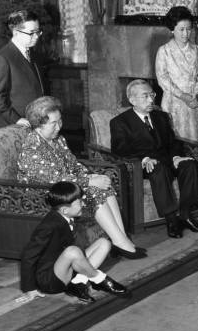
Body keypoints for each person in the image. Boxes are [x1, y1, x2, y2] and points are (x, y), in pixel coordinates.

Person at [17, 96, 146, 260]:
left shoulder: (58, 140)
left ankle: (121, 239)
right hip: (43, 195)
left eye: (60, 121)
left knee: (103, 186)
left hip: (64, 187)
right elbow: (53, 179)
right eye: (53, 123)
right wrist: (89, 181)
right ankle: (119, 241)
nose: (59, 127)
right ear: (38, 125)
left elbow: (73, 165)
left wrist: (91, 176)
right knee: (93, 190)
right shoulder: (31, 148)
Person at [110, 79, 198, 239]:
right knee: (158, 169)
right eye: (145, 96)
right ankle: (171, 220)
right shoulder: (120, 122)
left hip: (168, 160)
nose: (151, 100)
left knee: (190, 164)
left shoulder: (161, 116)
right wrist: (144, 159)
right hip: (142, 165)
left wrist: (176, 157)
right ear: (132, 99)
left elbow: (173, 142)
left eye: (152, 95)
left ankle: (186, 215)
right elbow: (120, 150)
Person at [20, 181, 130, 304]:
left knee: (104, 243)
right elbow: (28, 256)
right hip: (51, 279)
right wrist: (29, 288)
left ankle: (78, 282)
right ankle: (100, 280)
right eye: (79, 202)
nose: (83, 204)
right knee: (72, 251)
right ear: (65, 210)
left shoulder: (67, 216)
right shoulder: (48, 226)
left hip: (69, 267)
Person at [155, 6, 198, 142]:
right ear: (172, 29)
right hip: (173, 102)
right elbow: (162, 79)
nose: (186, 34)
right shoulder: (164, 51)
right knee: (175, 142)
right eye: (181, 29)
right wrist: (182, 96)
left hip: (194, 101)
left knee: (197, 143)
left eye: (189, 29)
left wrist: (194, 94)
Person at [0, 9, 45, 128]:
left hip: (34, 122)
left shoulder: (32, 53)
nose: (36, 36)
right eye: (31, 33)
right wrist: (16, 119)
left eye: (38, 32)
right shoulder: (2, 58)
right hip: (13, 126)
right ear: (16, 32)